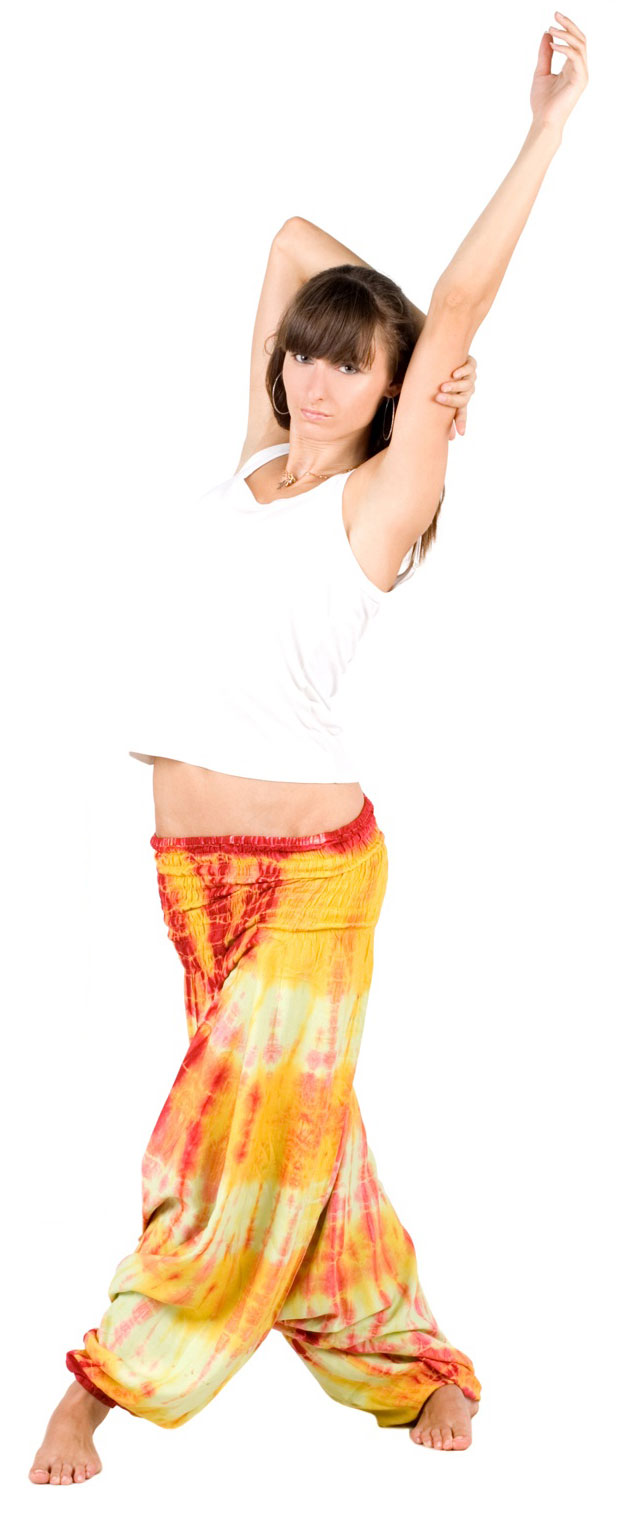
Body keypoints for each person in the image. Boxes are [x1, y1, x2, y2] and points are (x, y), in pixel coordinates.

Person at [29, 12, 588, 1484]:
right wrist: (369, 326)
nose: (313, 382)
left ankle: (107, 1380)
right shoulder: (256, 461)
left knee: (212, 1149)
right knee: (301, 1136)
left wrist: (542, 132)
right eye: (307, 358)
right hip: (191, 878)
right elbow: (289, 240)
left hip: (312, 881)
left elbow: (455, 309)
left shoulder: (381, 504)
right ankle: (416, 1359)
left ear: (397, 395)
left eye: (350, 370)